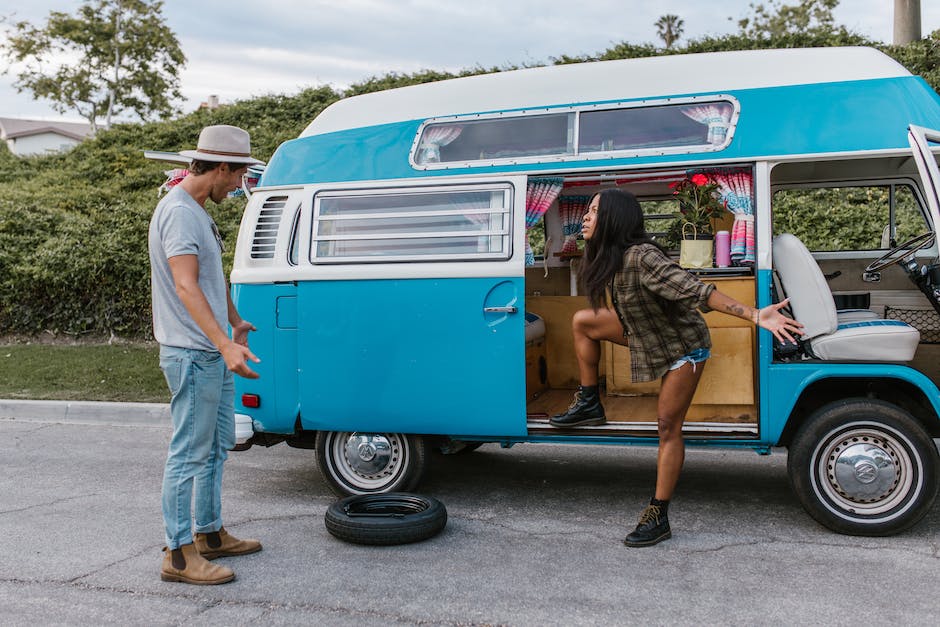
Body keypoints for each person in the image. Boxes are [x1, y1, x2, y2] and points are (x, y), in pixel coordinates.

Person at [549, 188, 802, 547]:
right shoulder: (609, 256)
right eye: (587, 211)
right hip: (647, 331)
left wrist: (755, 314)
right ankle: (590, 401)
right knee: (583, 321)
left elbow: (698, 291)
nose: (586, 218)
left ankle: (658, 514)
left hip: (683, 348)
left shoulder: (643, 257)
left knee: (667, 426)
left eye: (593, 211)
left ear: (614, 220)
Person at [149, 125, 265, 584]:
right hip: (193, 353)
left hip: (213, 350)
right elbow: (185, 284)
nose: (239, 186)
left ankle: (210, 533)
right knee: (188, 454)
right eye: (238, 176)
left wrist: (234, 322)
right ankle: (177, 555)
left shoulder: (196, 209)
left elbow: (210, 279)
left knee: (217, 447)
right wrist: (222, 343)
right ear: (220, 168)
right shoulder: (178, 212)